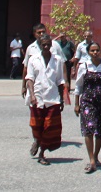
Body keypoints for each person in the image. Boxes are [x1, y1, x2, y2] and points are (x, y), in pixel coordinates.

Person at [72, 41, 101, 173]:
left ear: (100, 51)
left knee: (100, 130)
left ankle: (96, 155)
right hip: (88, 102)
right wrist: (76, 103)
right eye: (92, 50)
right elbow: (78, 86)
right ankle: (91, 160)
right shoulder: (84, 66)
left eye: (97, 50)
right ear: (88, 52)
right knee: (88, 129)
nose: (95, 52)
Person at [25, 35, 66, 165]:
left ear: (51, 45)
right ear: (40, 45)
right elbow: (29, 79)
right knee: (36, 125)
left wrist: (62, 99)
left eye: (48, 44)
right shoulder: (33, 59)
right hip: (37, 97)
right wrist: (32, 95)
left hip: (52, 98)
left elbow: (60, 81)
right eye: (44, 44)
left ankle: (42, 153)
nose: (46, 47)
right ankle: (37, 140)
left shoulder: (57, 60)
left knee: (49, 127)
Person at [22, 23, 66, 98]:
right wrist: (23, 86)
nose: (41, 34)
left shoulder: (55, 45)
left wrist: (66, 81)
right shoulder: (30, 48)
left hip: (52, 86)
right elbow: (26, 68)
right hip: (36, 87)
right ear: (34, 34)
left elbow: (63, 64)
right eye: (39, 32)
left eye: (43, 32)